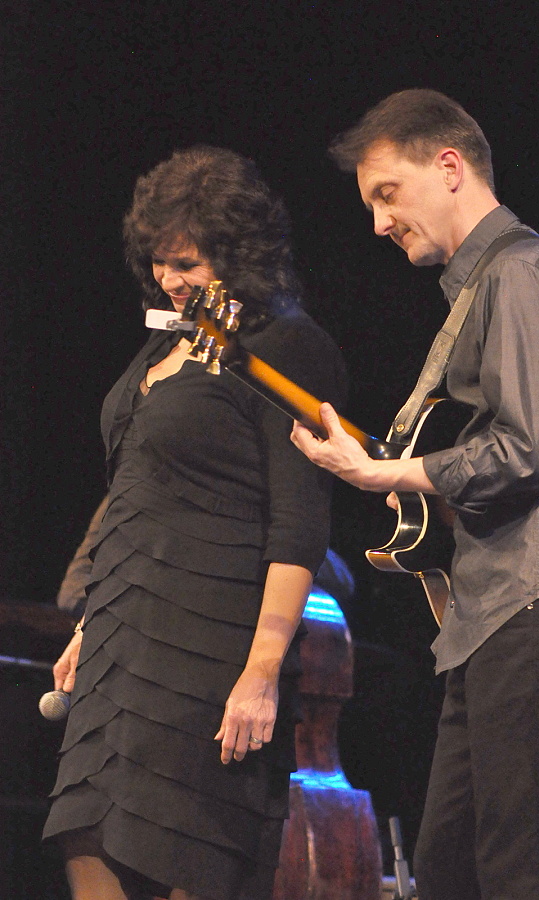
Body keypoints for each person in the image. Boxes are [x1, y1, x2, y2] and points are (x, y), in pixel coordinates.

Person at [291, 88, 539, 899]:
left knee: (527, 873)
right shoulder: (484, 287)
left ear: (450, 166)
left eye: (388, 193)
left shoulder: (523, 274)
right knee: (452, 871)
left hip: (534, 608)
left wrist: (387, 474)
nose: (378, 222)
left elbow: (527, 451)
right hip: (491, 616)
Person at [43, 145, 347, 900]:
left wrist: (262, 670)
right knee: (87, 835)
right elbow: (137, 492)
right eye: (158, 263)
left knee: (193, 852)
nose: (168, 280)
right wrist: (93, 623)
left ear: (238, 255)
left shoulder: (285, 347)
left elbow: (299, 522)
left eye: (187, 264)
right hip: (122, 646)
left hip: (211, 648)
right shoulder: (172, 337)